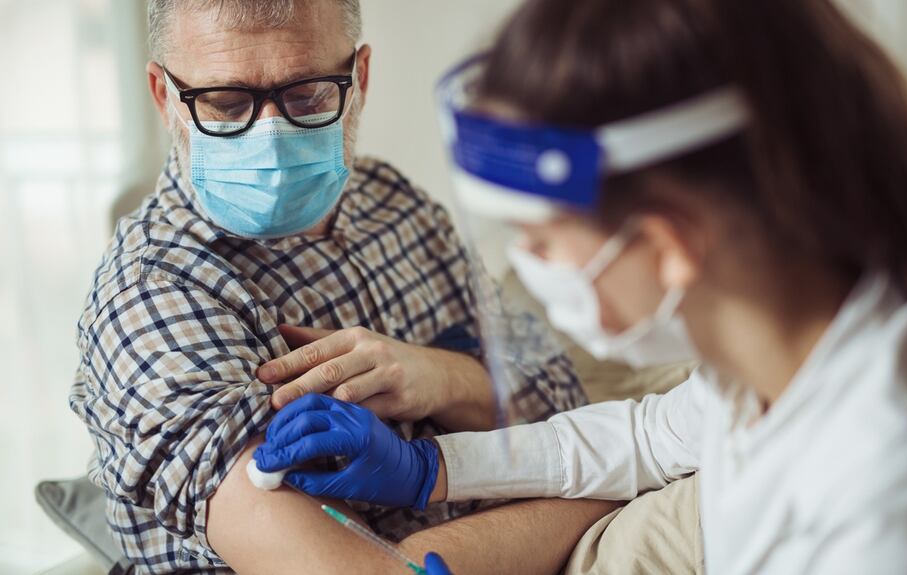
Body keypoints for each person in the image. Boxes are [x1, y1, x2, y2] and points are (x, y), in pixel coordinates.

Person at [255, 0, 907, 572]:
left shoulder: (904, 495)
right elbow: (652, 435)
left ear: (666, 244)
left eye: (544, 239)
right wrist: (433, 468)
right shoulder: (774, 346)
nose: (528, 261)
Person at [67, 0, 599, 572]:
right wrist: (605, 493)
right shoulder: (155, 297)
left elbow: (564, 400)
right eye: (225, 103)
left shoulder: (393, 205)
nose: (269, 134)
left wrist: (439, 376)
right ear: (163, 94)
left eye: (307, 95)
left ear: (359, 79)